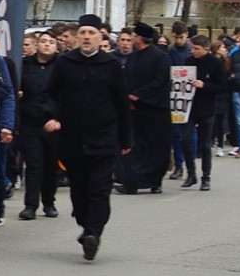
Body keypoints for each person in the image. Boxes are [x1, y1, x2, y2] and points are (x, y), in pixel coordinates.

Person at [43, 15, 132, 262]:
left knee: (99, 190)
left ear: (100, 37)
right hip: (72, 140)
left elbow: (122, 103)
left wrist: (126, 139)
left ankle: (93, 233)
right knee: (79, 192)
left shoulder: (112, 65)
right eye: (82, 32)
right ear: (76, 36)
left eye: (91, 32)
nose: (86, 36)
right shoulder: (65, 63)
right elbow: (51, 94)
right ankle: (86, 224)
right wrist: (52, 115)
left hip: (104, 139)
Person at [115, 23, 170, 193]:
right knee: (136, 146)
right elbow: (125, 80)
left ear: (139, 38)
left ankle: (155, 180)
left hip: (155, 110)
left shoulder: (161, 57)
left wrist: (138, 95)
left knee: (156, 147)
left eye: (133, 36)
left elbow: (160, 82)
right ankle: (133, 181)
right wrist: (127, 97)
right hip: (135, 110)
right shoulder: (134, 57)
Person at [15, 31, 60, 219]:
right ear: (37, 45)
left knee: (51, 164)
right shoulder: (25, 65)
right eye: (43, 41)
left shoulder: (61, 66)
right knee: (34, 164)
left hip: (53, 123)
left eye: (51, 42)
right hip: (30, 121)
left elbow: (66, 95)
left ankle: (49, 202)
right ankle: (30, 205)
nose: (47, 45)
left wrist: (57, 118)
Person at [181, 36, 225, 189]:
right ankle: (191, 173)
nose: (193, 51)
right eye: (192, 48)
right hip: (190, 106)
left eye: (197, 49)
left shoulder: (216, 63)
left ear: (206, 48)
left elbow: (222, 86)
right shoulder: (189, 61)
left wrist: (204, 85)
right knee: (185, 139)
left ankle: (206, 177)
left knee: (205, 144)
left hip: (207, 108)